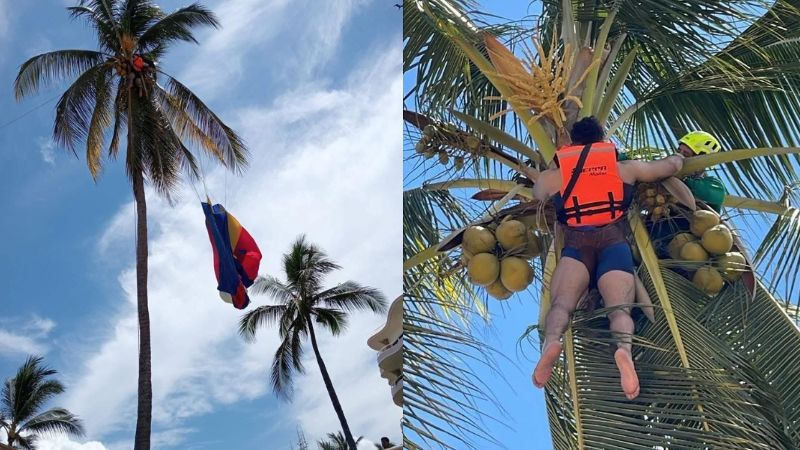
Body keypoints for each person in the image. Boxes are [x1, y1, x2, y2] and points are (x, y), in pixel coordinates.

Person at [529, 116, 684, 400]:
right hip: (614, 242)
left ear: (573, 143)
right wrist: (679, 157)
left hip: (576, 244)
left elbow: (539, 193)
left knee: (562, 304)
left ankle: (551, 343)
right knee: (619, 311)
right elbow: (666, 168)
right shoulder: (623, 168)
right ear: (602, 142)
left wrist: (554, 168)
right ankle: (623, 351)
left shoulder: (555, 176)